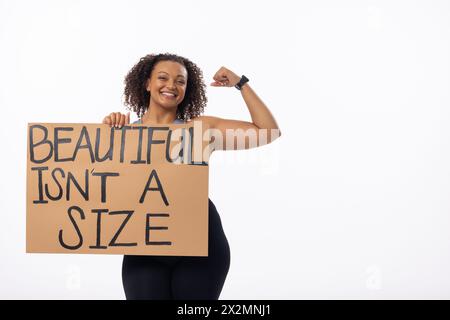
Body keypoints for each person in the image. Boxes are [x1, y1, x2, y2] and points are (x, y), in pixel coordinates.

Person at [102, 52, 281, 300]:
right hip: (144, 244)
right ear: (147, 83)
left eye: (180, 81)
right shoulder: (124, 133)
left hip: (201, 244)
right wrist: (107, 133)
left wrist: (241, 84)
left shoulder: (200, 130)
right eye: (162, 78)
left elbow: (268, 131)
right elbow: (104, 187)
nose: (171, 86)